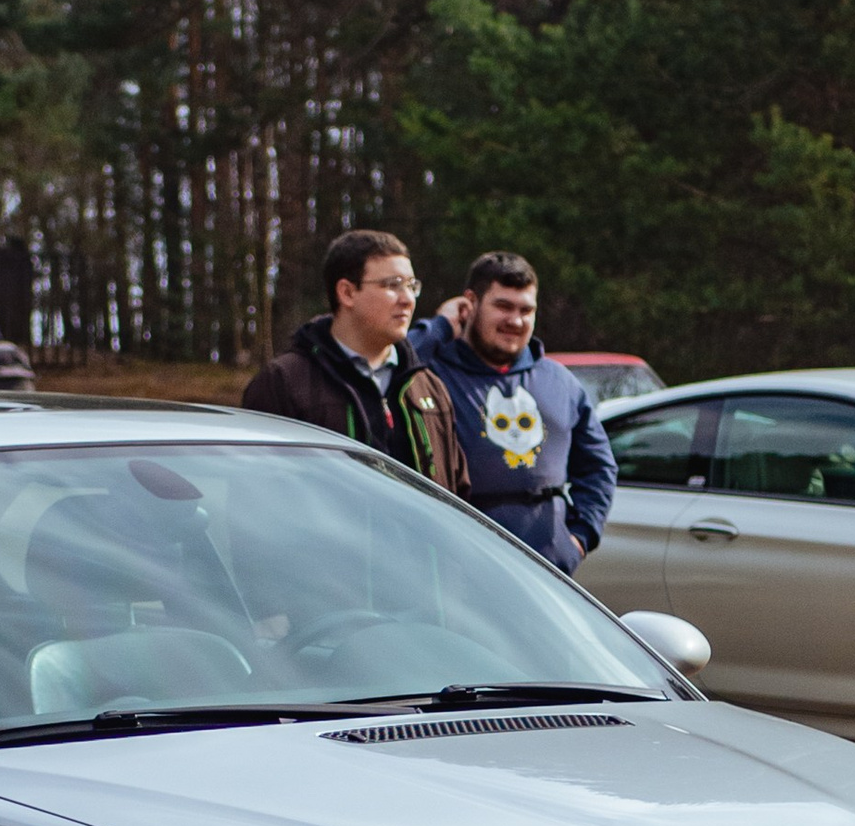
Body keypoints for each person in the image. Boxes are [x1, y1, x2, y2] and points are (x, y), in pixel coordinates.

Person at [409, 251, 616, 570]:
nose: (516, 321)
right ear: (471, 303)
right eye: (503, 306)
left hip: (547, 568)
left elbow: (598, 467)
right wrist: (440, 326)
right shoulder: (432, 377)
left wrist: (578, 538)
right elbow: (387, 365)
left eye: (526, 310)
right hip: (459, 565)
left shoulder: (560, 382)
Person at [239, 229, 466, 488]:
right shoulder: (284, 382)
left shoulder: (427, 387)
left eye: (412, 286)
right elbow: (258, 492)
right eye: (392, 285)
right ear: (346, 293)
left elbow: (457, 491)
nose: (407, 299)